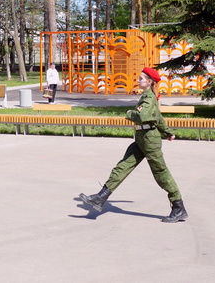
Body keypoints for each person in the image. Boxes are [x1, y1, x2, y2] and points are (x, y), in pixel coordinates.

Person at [79, 67, 188, 223]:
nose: (138, 80)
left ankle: (178, 207)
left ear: (149, 82)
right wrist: (168, 132)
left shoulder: (149, 97)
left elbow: (143, 116)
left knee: (161, 174)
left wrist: (129, 113)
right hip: (141, 139)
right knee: (122, 167)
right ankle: (101, 197)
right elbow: (158, 117)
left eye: (141, 78)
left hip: (150, 141)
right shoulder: (149, 97)